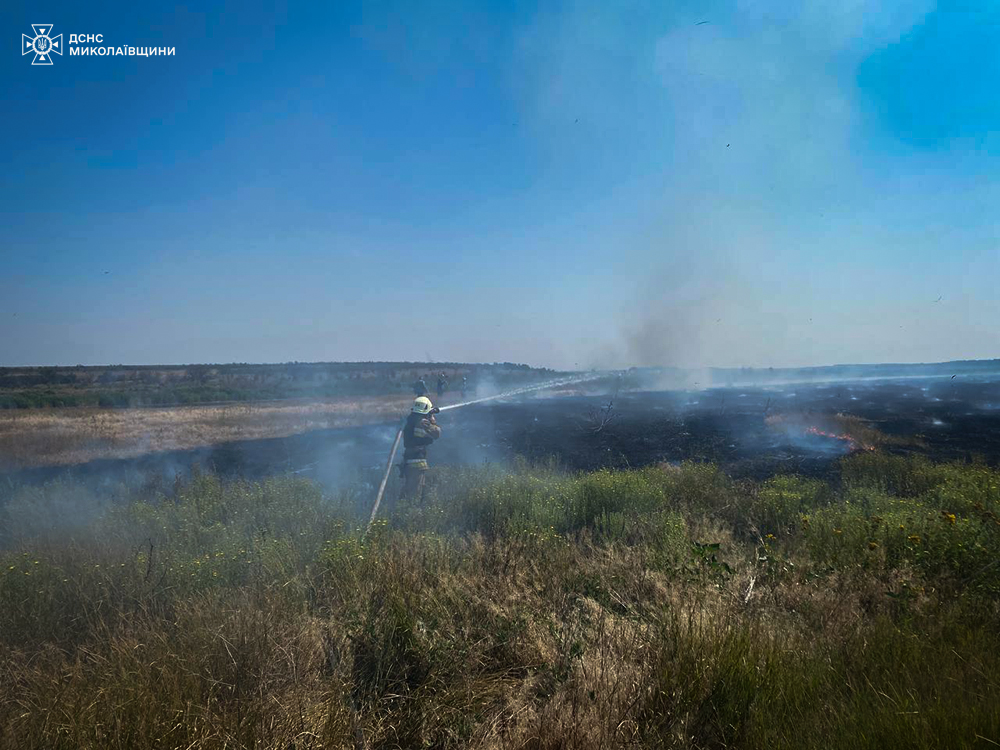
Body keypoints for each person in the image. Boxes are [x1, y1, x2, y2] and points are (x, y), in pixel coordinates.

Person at [398, 396, 441, 504]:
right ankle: (409, 515)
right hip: (417, 463)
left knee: (410, 490)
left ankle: (403, 511)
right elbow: (437, 433)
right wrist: (432, 420)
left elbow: (419, 437)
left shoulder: (411, 419)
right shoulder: (422, 422)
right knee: (414, 495)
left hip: (409, 461)